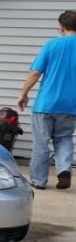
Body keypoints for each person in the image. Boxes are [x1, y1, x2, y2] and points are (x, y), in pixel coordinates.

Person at [17, 10, 76, 190]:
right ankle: (64, 169)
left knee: (41, 143)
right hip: (70, 105)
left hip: (46, 104)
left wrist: (23, 94)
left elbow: (35, 72)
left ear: (61, 26)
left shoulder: (51, 45)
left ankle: (38, 181)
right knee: (64, 138)